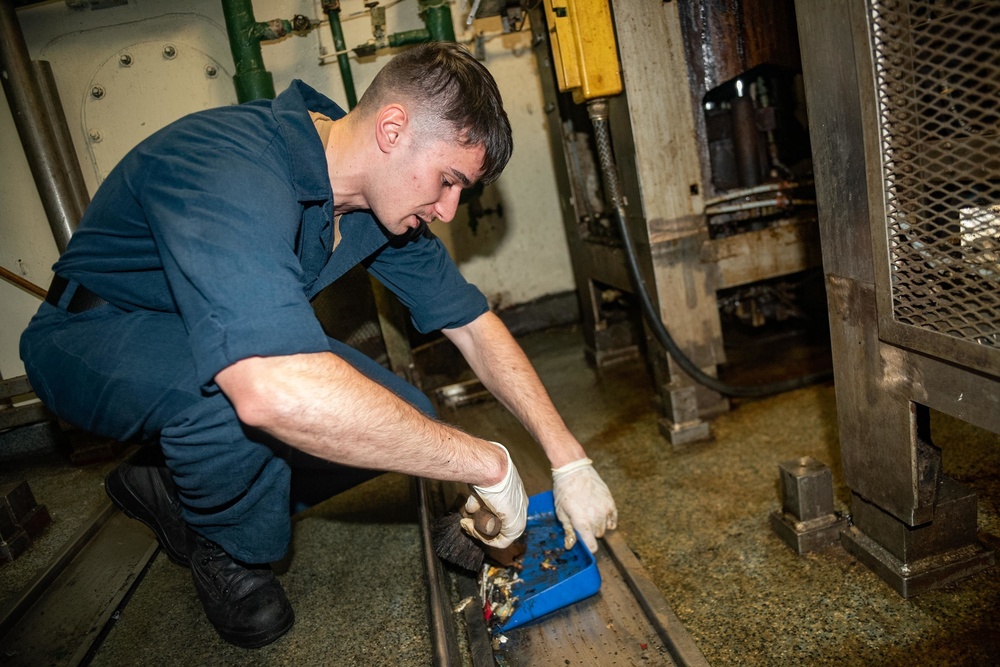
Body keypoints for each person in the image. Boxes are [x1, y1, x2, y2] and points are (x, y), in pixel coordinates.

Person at [19, 43, 617, 649]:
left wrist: (568, 460)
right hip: (94, 335)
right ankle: (225, 548)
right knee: (239, 404)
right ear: (393, 128)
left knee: (412, 418)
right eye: (447, 181)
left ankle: (170, 484)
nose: (446, 209)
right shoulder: (232, 162)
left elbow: (472, 324)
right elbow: (268, 390)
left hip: (199, 337)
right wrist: (486, 464)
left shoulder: (375, 205)